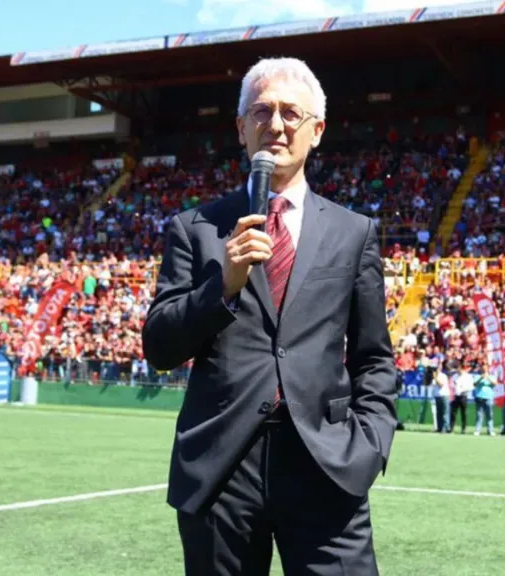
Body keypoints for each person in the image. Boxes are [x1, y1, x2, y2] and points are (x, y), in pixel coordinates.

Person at [142, 57, 398, 576]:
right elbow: (160, 346)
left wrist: (369, 444)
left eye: (291, 113)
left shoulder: (354, 233)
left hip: (328, 463)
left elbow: (374, 356)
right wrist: (224, 286)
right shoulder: (196, 228)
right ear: (241, 128)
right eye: (261, 111)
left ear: (317, 131)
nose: (276, 125)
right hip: (221, 468)